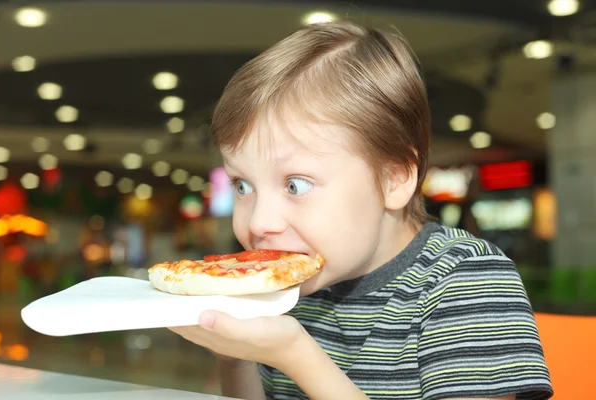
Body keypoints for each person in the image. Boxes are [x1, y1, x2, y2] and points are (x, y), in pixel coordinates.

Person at [168, 21, 553, 400]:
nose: (259, 222)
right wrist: (235, 360)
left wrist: (297, 356)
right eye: (242, 186)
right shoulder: (292, 289)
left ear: (395, 178)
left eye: (295, 185)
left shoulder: (467, 280)